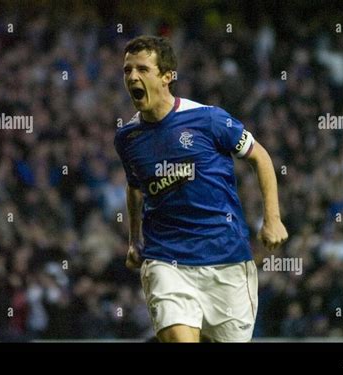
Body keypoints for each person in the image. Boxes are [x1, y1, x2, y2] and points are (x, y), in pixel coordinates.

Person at [114, 35, 288, 342]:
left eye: (142, 69)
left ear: (167, 77)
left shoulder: (209, 120)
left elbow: (260, 157)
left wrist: (272, 218)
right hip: (166, 259)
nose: (132, 77)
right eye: (127, 70)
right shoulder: (128, 139)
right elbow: (135, 187)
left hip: (226, 259)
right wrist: (134, 239)